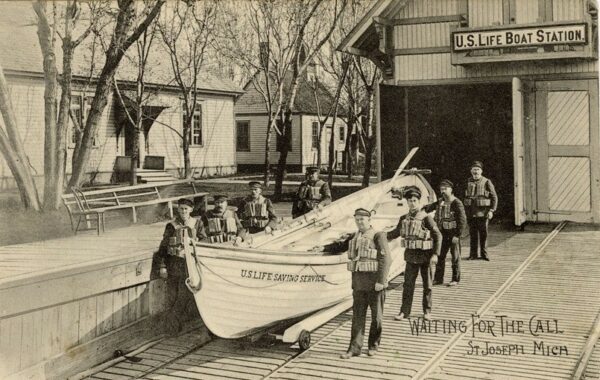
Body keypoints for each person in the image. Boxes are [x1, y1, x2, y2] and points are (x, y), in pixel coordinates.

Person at [313, 208, 391, 359]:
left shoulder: (378, 235)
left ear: (369, 220)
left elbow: (385, 259)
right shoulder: (355, 235)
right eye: (357, 219)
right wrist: (323, 247)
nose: (359, 222)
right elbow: (341, 246)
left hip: (375, 283)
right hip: (359, 283)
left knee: (377, 318)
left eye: (362, 219)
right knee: (357, 317)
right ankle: (354, 348)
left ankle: (373, 346)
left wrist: (381, 281)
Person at [387, 186, 441, 321]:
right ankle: (404, 312)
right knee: (408, 285)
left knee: (427, 285)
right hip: (411, 257)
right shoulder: (403, 218)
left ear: (419, 201)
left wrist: (435, 254)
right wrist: (380, 236)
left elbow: (438, 235)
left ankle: (427, 311)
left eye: (414, 200)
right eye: (410, 201)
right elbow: (395, 233)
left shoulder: (426, 218)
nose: (412, 203)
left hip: (426, 257)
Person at [156, 198, 203, 333]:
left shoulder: (197, 223)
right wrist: (163, 266)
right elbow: (163, 247)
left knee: (184, 295)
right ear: (178, 209)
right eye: (181, 209)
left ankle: (175, 325)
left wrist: (196, 241)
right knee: (172, 295)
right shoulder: (171, 226)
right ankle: (172, 327)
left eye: (186, 209)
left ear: (191, 210)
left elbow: (205, 239)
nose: (183, 211)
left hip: (190, 266)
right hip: (174, 264)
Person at [422, 180, 466, 286]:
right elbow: (430, 207)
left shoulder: (457, 203)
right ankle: (438, 279)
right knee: (440, 256)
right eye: (441, 189)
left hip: (453, 235)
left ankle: (455, 279)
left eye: (445, 189)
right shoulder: (440, 201)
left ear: (451, 190)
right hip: (442, 234)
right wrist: (422, 209)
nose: (443, 191)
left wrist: (457, 235)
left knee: (455, 257)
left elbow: (462, 221)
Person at [464, 161, 498, 261]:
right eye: (474, 169)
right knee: (473, 234)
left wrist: (492, 210)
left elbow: (494, 197)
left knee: (484, 235)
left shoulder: (487, 182)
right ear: (471, 171)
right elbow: (463, 196)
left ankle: (484, 254)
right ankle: (473, 254)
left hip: (483, 213)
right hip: (471, 213)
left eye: (478, 169)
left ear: (481, 171)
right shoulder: (467, 182)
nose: (476, 171)